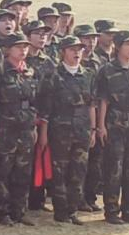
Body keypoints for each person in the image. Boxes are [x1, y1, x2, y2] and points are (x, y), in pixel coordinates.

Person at [37, 36, 96, 225]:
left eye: (79, 49)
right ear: (63, 52)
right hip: (60, 131)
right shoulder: (53, 76)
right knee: (60, 171)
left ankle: (72, 210)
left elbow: (91, 105)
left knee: (79, 171)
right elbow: (46, 109)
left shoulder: (88, 75)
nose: (77, 53)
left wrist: (93, 129)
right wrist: (44, 134)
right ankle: (61, 211)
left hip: (82, 130)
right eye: (72, 49)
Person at [95, 30, 129, 225]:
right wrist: (101, 126)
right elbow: (103, 100)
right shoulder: (107, 70)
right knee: (114, 168)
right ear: (118, 46)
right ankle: (111, 210)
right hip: (115, 124)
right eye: (128, 44)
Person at [0, 33, 39, 226]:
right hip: (5, 128)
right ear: (8, 49)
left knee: (23, 171)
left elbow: (34, 101)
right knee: (2, 171)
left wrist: (34, 126)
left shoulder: (30, 71)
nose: (23, 50)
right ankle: (2, 212)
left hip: (25, 128)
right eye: (18, 47)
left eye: (25, 47)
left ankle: (19, 211)